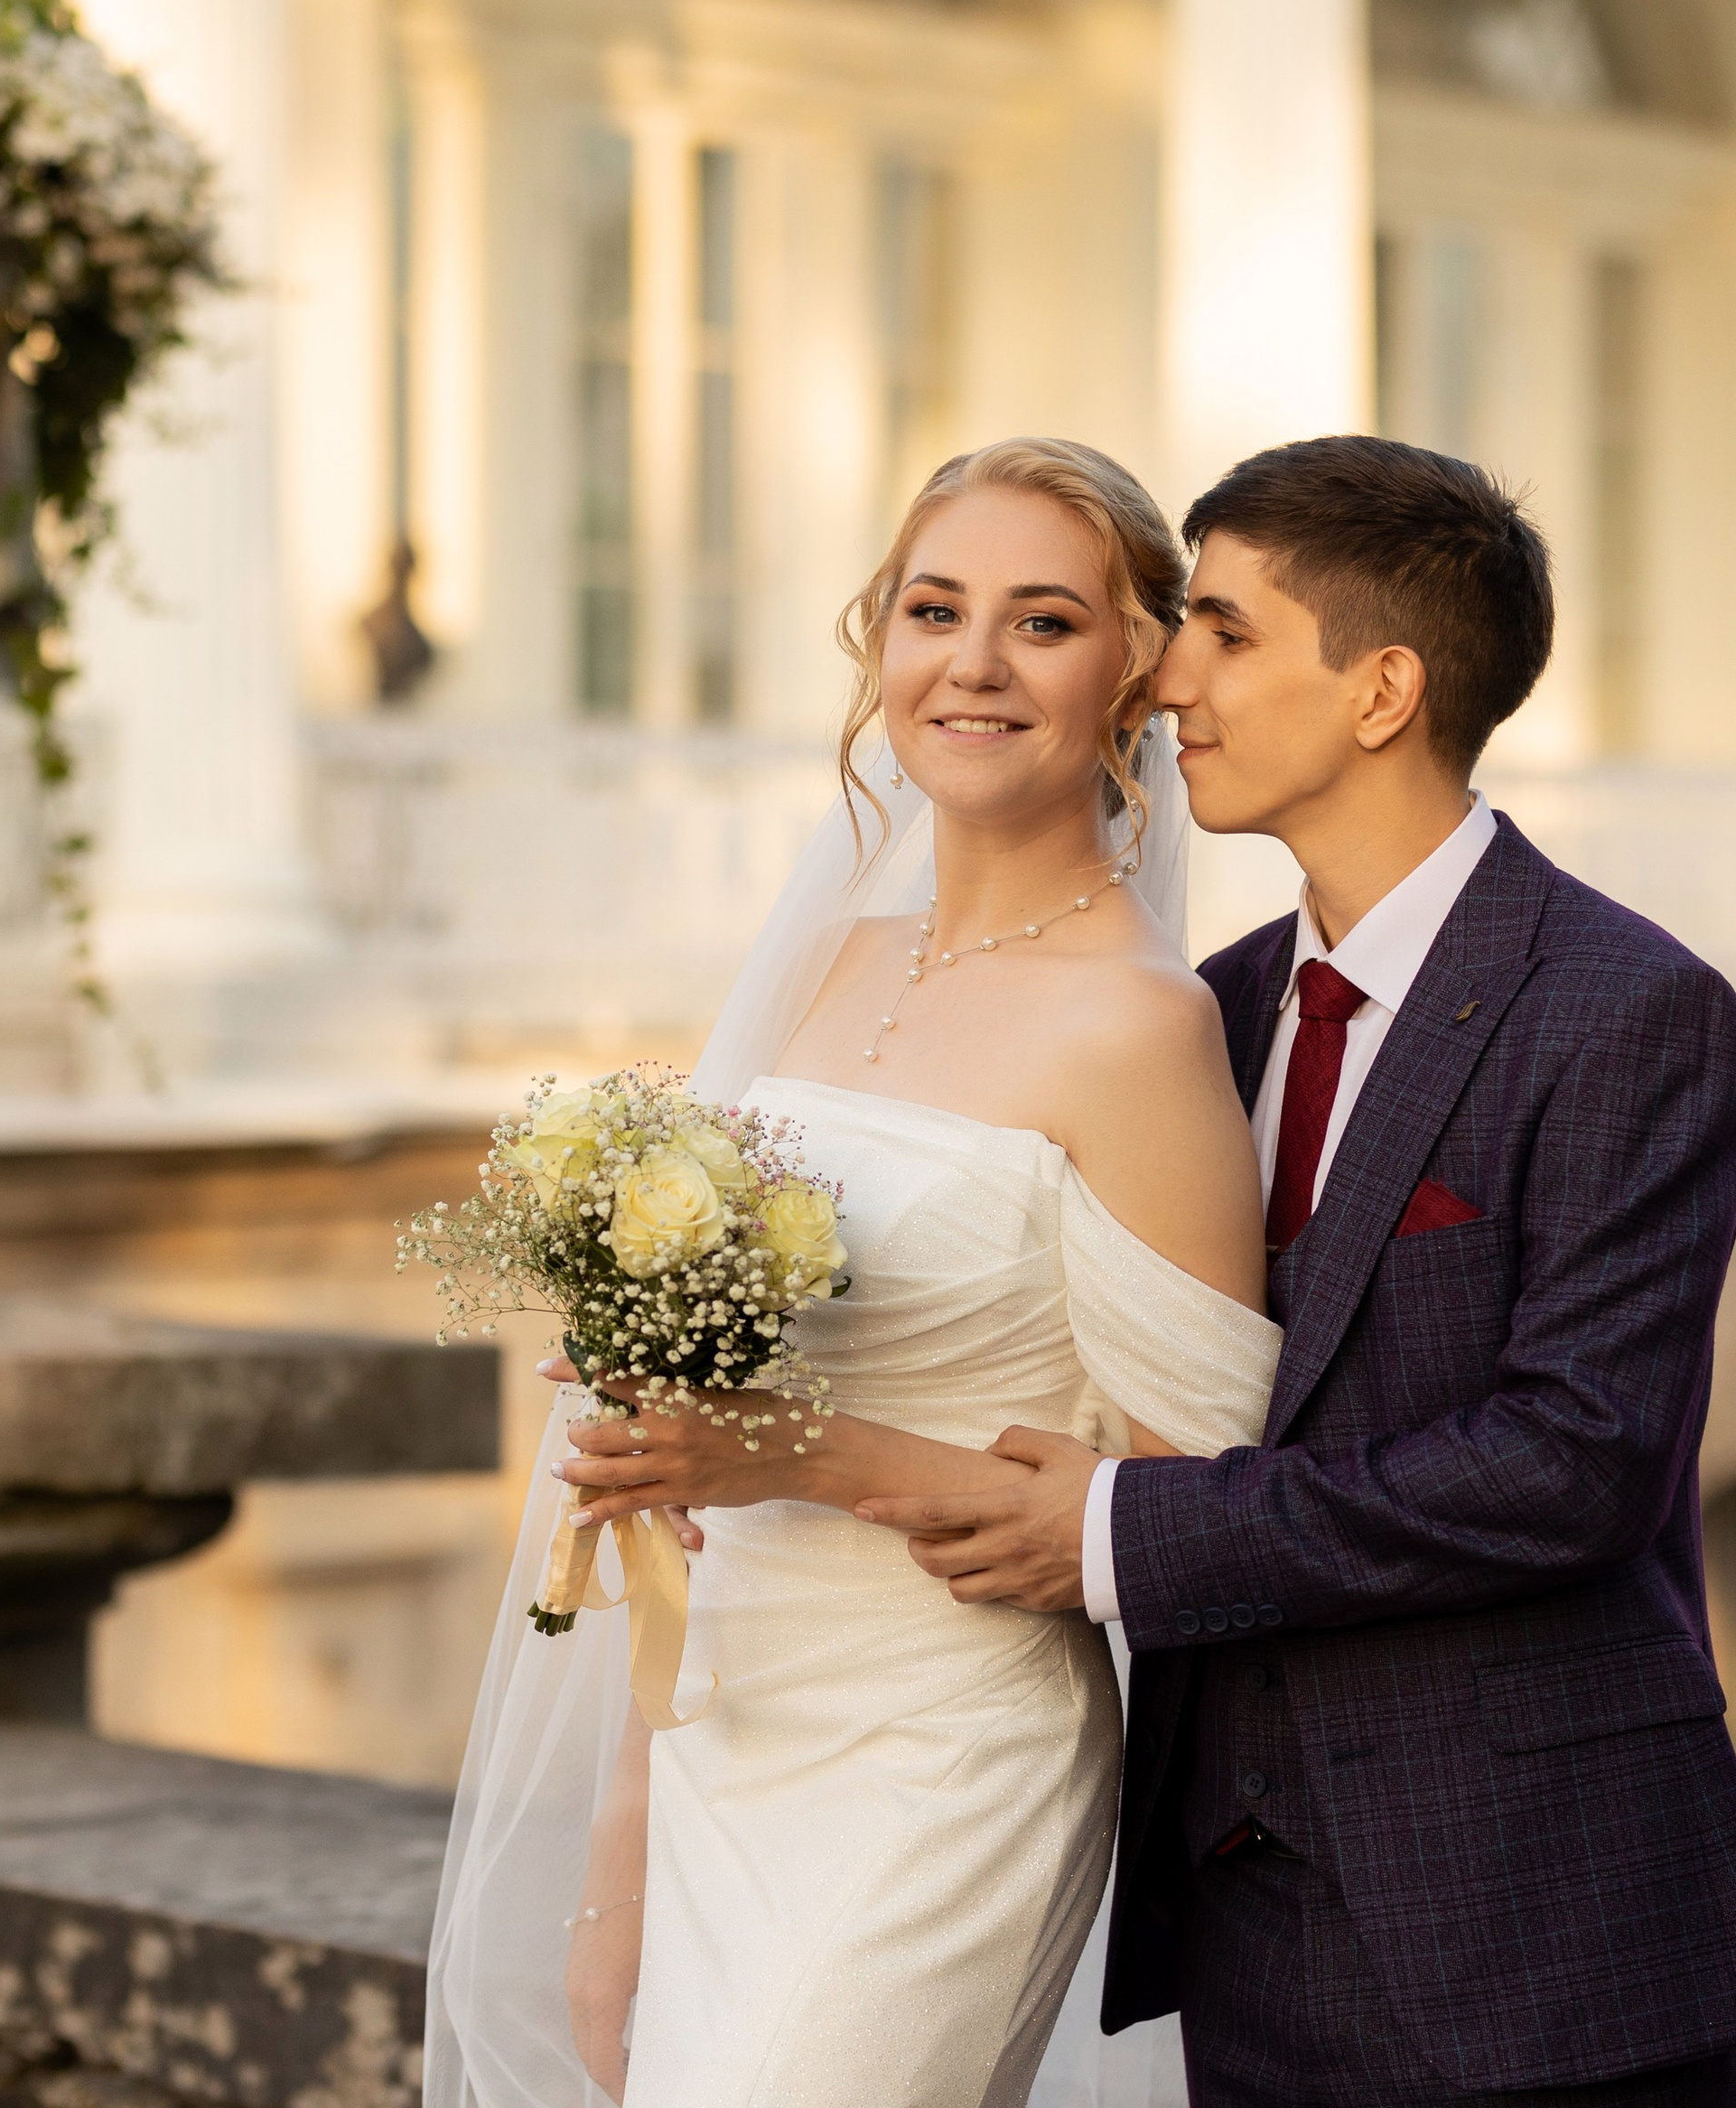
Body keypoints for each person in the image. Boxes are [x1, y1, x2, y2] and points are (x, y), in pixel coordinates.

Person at [869, 435, 1736, 2105]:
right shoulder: (1223, 1003)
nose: (1164, 669)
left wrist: (1121, 1530)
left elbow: (1577, 1464)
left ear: (1383, 689)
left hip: (1534, 1928)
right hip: (1246, 1910)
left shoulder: (1629, 1008)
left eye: (1224, 628)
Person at [425, 437, 1282, 2108]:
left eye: (1043, 623)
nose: (971, 664)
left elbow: (1208, 1503)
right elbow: (683, 1487)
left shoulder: (1144, 1028)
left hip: (947, 1751)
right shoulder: (817, 965)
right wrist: (623, 1849)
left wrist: (803, 1456)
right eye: (932, 608)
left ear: (1134, 677)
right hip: (723, 1722)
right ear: (876, 640)